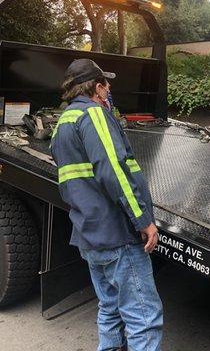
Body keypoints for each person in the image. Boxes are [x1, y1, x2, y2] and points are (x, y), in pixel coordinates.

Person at [51, 59, 163, 351]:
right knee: (144, 319)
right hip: (116, 235)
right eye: (106, 84)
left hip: (89, 234)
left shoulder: (63, 122)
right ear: (97, 88)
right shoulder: (94, 115)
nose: (110, 89)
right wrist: (143, 220)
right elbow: (114, 172)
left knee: (110, 309)